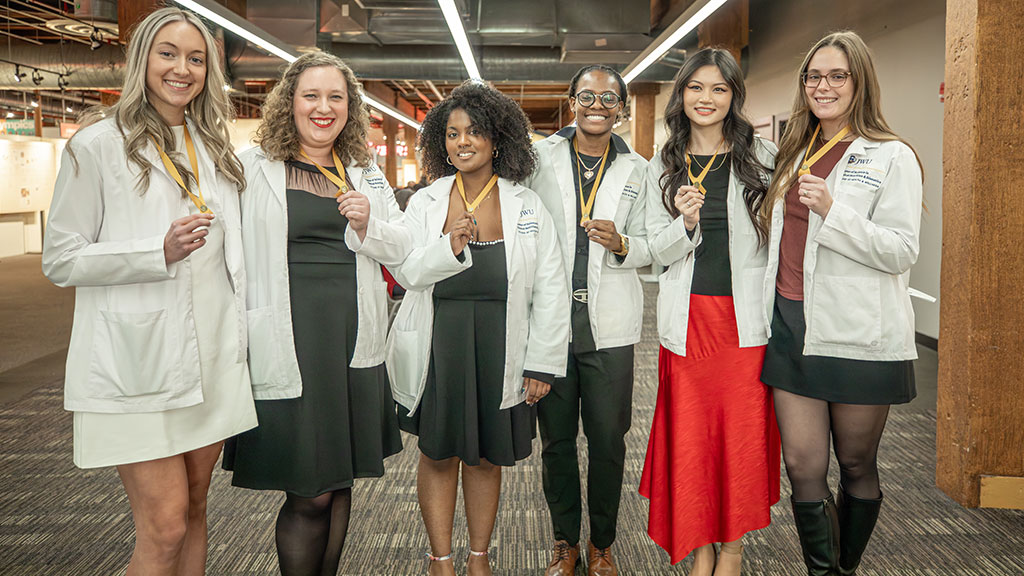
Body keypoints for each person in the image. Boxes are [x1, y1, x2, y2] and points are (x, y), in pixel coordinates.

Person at [40, 7, 254, 575]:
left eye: (196, 59)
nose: (182, 69)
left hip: (211, 357)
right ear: (142, 60)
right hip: (137, 361)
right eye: (168, 54)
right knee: (164, 525)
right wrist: (154, 252)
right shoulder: (97, 145)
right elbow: (60, 258)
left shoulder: (214, 147)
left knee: (197, 509)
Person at [221, 52, 405, 576]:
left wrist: (370, 225)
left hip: (351, 337)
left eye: (335, 97)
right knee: (311, 490)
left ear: (350, 107)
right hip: (292, 338)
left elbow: (403, 246)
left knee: (339, 479)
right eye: (311, 96)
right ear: (290, 102)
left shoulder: (364, 170)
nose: (323, 108)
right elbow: (227, 252)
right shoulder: (251, 167)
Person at [386, 81, 569, 576]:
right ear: (439, 142)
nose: (462, 142)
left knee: (487, 458)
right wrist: (447, 245)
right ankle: (440, 560)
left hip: (501, 345)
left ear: (497, 138)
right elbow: (406, 274)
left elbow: (551, 287)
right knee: (438, 455)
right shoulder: (426, 202)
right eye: (452, 133)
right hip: (440, 345)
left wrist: (542, 363)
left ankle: (478, 559)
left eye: (474, 131)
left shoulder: (526, 204)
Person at [757, 31, 922, 576]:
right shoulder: (793, 152)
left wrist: (834, 211)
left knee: (855, 463)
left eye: (836, 76)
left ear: (859, 83)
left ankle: (844, 568)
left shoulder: (891, 155)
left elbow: (901, 250)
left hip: (856, 332)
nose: (822, 87)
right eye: (814, 76)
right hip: (791, 325)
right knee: (803, 466)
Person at [638, 48, 781, 575]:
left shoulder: (762, 155)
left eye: (719, 88)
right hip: (689, 324)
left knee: (739, 438)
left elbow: (780, 238)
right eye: (696, 87)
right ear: (681, 95)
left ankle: (733, 548)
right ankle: (701, 546)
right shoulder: (664, 163)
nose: (706, 98)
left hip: (744, 325)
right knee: (694, 441)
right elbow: (653, 250)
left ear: (733, 96)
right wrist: (685, 224)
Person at [524, 64, 649, 576]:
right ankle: (564, 542)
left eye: (609, 98)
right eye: (588, 96)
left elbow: (653, 245)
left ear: (621, 108)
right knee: (555, 443)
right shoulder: (538, 158)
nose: (598, 106)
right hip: (553, 325)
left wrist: (622, 243)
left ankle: (602, 544)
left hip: (609, 330)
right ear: (572, 101)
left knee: (608, 442)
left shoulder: (638, 169)